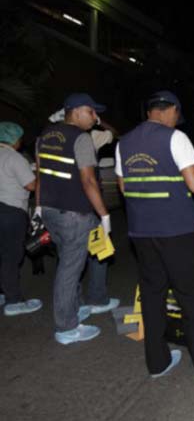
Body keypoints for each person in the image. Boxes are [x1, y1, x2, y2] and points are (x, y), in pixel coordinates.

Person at [116, 90, 194, 379]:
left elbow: (124, 188)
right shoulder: (176, 138)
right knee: (193, 296)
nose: (176, 120)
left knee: (152, 294)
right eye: (177, 115)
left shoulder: (124, 142)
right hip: (177, 231)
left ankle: (157, 363)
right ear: (171, 110)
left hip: (141, 231)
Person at [36, 93, 115, 344]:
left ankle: (79, 305)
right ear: (77, 111)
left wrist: (38, 207)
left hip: (50, 211)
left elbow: (41, 175)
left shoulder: (44, 136)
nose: (95, 118)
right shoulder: (80, 138)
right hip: (74, 213)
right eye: (92, 112)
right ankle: (67, 327)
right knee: (70, 269)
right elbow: (89, 180)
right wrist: (104, 214)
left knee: (70, 261)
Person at [0, 122, 42, 316]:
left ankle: (4, 292)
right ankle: (13, 301)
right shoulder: (14, 158)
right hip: (10, 211)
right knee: (11, 257)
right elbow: (31, 186)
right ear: (14, 140)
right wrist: (38, 171)